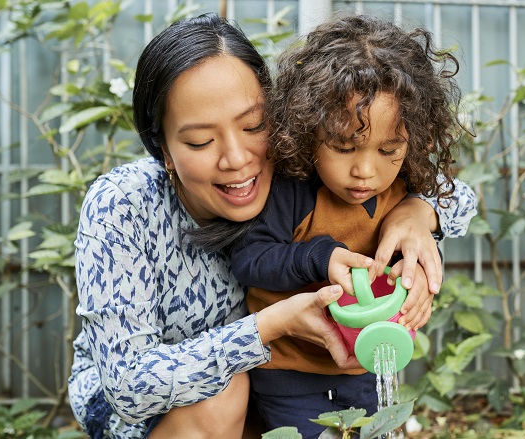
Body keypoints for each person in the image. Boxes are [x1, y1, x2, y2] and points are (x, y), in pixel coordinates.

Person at [67, 12, 477, 439]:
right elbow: (128, 388)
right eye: (200, 141)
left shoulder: (309, 159)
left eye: (253, 125)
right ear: (163, 150)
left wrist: (417, 212)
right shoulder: (125, 204)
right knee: (224, 395)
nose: (237, 158)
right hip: (159, 411)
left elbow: (454, 195)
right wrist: (269, 326)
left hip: (277, 391)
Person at [229, 14, 472, 437]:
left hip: (367, 362)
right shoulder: (293, 191)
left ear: (414, 138)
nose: (365, 171)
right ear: (308, 130)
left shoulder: (406, 189)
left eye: (389, 149)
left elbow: (446, 219)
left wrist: (417, 286)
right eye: (344, 147)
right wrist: (320, 258)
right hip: (291, 368)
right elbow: (250, 259)